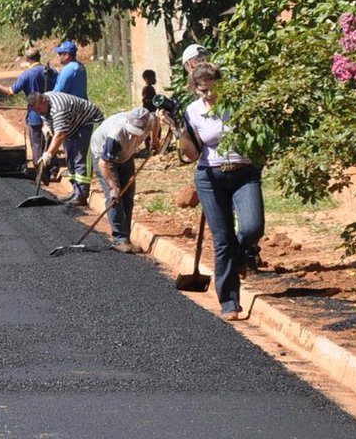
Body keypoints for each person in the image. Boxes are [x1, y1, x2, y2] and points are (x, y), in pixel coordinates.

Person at [179, 61, 264, 320]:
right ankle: (229, 302)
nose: (209, 96)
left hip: (244, 172)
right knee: (222, 239)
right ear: (195, 89)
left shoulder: (239, 105)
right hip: (210, 177)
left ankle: (241, 254)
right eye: (203, 91)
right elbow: (193, 154)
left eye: (213, 90)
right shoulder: (192, 112)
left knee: (252, 228)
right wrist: (178, 131)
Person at [90, 105, 164, 251]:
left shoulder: (150, 119)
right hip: (104, 156)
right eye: (131, 131)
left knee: (128, 195)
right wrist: (113, 186)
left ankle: (126, 238)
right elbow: (104, 163)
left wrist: (154, 140)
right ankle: (120, 239)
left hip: (126, 154)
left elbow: (156, 122)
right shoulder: (115, 134)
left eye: (137, 133)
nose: (133, 136)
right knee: (115, 197)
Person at [30, 89, 103, 207]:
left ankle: (81, 196)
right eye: (36, 111)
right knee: (70, 156)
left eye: (39, 109)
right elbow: (47, 119)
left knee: (80, 157)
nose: (39, 113)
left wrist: (48, 155)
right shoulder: (43, 106)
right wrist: (46, 125)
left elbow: (60, 135)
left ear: (44, 101)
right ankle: (75, 191)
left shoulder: (59, 109)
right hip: (72, 124)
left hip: (88, 122)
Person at [0, 48, 55, 168]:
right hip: (51, 112)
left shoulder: (26, 75)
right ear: (39, 57)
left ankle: (41, 170)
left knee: (36, 143)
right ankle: (53, 168)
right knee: (50, 141)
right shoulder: (50, 71)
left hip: (35, 115)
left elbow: (11, 92)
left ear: (27, 59)